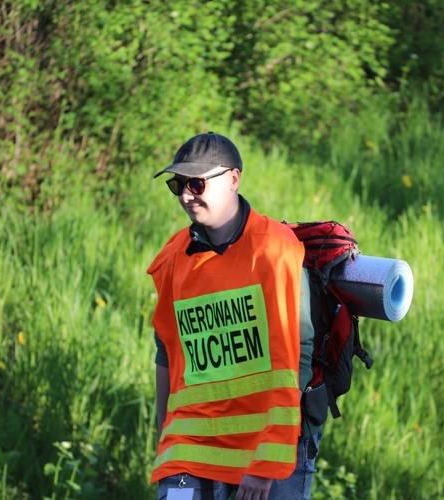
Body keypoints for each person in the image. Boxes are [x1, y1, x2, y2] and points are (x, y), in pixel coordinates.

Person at [148, 132, 322, 500]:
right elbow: (166, 348)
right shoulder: (174, 257)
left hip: (266, 445)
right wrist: (163, 435)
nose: (184, 195)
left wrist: (265, 464)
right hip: (189, 444)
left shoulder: (274, 251)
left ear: (233, 179)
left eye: (196, 183)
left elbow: (297, 357)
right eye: (177, 185)